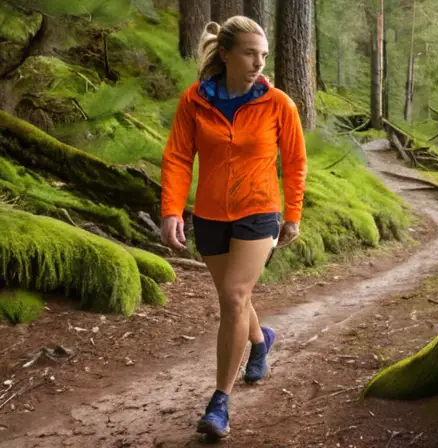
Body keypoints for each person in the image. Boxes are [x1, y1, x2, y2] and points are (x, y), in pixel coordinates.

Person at [159, 16, 307, 440]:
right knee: (233, 297)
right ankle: (260, 341)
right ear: (225, 54)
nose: (259, 62)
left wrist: (293, 214)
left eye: (263, 54)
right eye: (249, 53)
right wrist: (172, 209)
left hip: (258, 212)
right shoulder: (195, 100)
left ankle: (219, 401)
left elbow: (295, 163)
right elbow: (178, 157)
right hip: (208, 215)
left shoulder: (278, 103)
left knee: (235, 296)